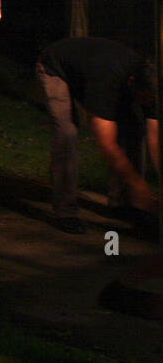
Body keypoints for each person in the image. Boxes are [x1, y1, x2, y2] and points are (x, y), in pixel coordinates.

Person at [35, 36, 159, 233]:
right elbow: (106, 143)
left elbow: (155, 138)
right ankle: (66, 211)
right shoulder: (106, 80)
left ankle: (124, 204)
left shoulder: (153, 87)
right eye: (143, 99)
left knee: (135, 131)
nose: (146, 104)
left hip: (91, 69)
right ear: (132, 83)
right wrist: (137, 183)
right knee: (67, 132)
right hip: (55, 67)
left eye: (150, 101)